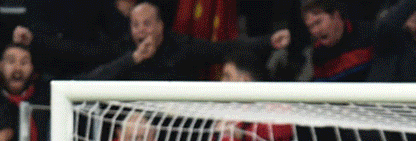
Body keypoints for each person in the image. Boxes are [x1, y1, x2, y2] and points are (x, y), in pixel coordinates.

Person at [82, 1, 290, 81]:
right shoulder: (122, 49)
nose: (141, 31)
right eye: (136, 25)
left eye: (147, 24)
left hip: (176, 131)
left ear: (160, 26)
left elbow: (223, 48)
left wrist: (268, 41)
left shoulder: (181, 46)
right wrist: (134, 58)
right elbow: (90, 80)